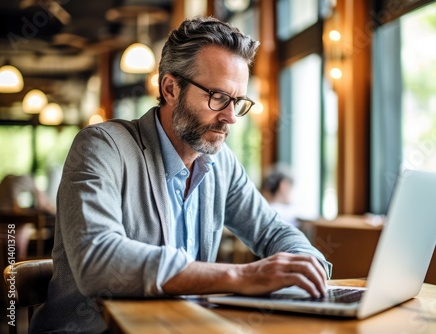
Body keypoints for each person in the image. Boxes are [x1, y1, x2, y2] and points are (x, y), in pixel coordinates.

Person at [30, 17, 332, 333]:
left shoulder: (222, 164)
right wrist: (241, 276)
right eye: (217, 97)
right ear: (171, 88)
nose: (230, 117)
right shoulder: (102, 147)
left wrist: (308, 266)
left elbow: (272, 231)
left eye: (238, 102)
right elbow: (98, 260)